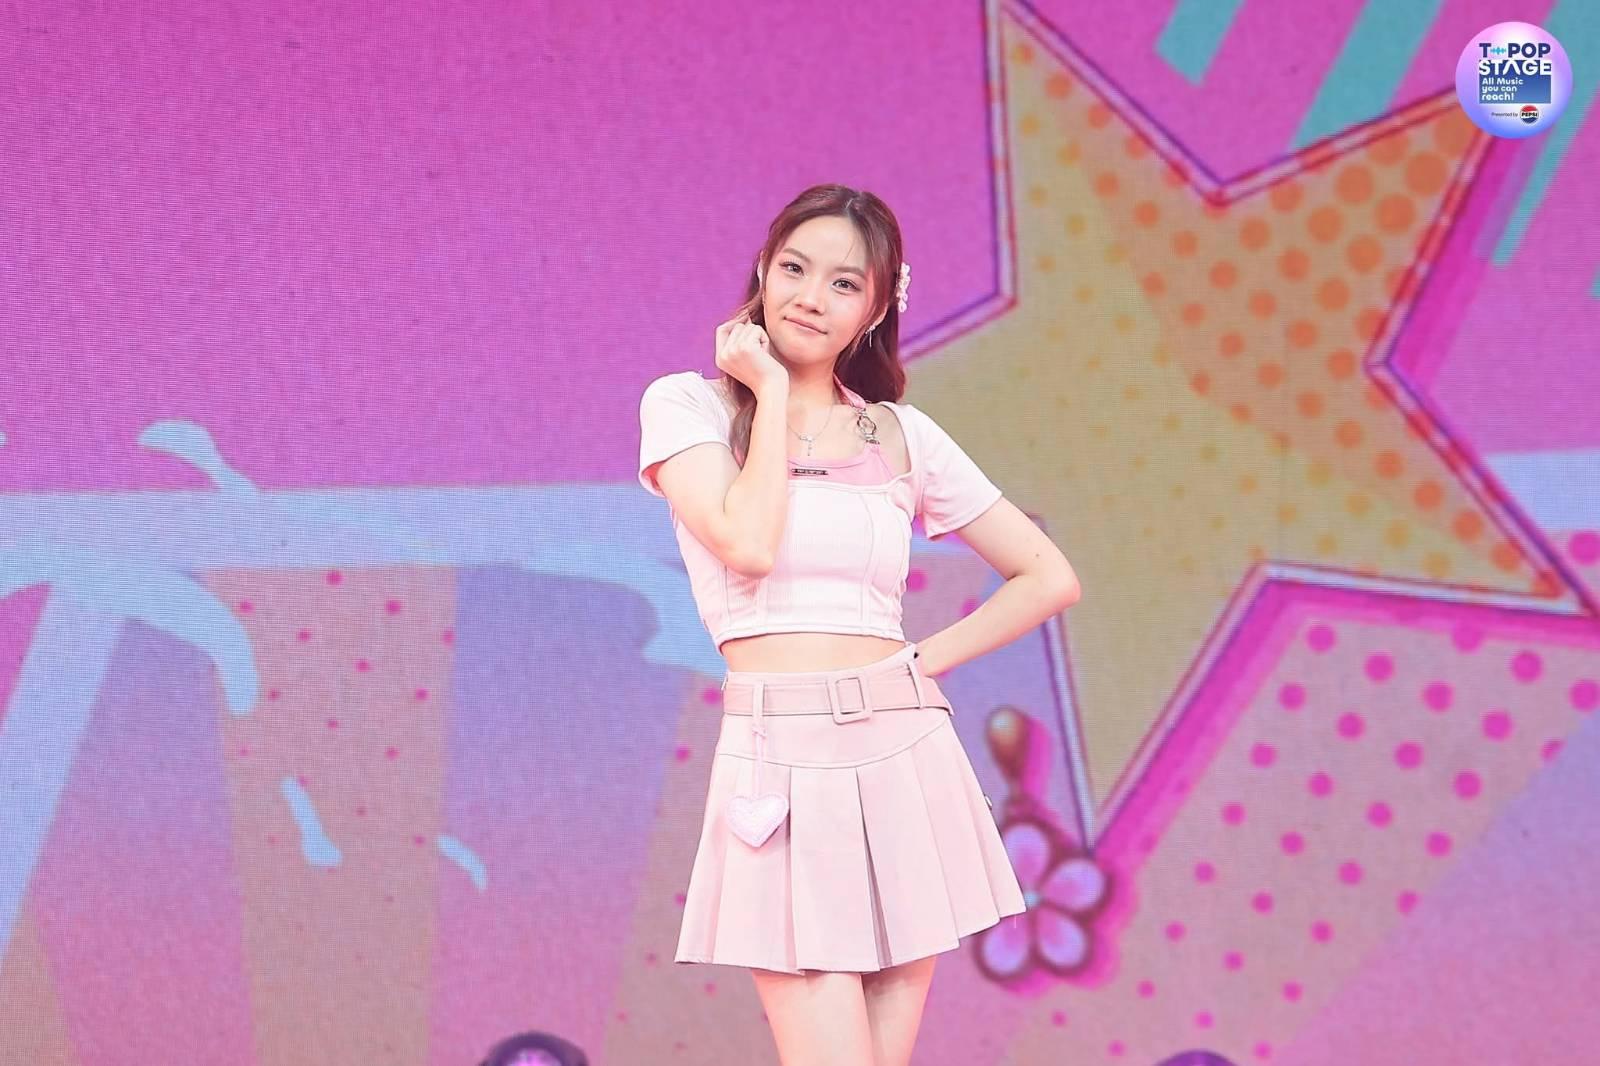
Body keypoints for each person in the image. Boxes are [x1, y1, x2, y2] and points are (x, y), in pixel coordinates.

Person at [636, 184, 1081, 1066]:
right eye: (795, 268)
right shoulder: (688, 407)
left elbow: (1048, 576)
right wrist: (767, 390)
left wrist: (919, 666)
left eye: (844, 284)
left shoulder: (900, 435)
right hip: (780, 757)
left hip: (903, 748)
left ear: (876, 309)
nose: (811, 297)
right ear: (763, 270)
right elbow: (747, 544)